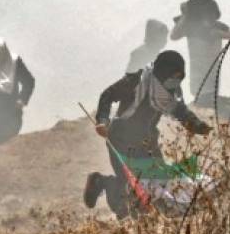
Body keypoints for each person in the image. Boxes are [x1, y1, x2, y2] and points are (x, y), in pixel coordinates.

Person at [83, 50, 212, 219]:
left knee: (160, 183)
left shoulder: (171, 92)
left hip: (148, 143)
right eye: (172, 77)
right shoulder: (137, 81)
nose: (175, 82)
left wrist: (197, 125)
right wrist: (103, 121)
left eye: (179, 78)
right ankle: (102, 183)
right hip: (121, 140)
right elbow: (108, 95)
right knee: (131, 188)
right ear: (162, 73)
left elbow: (180, 111)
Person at [169, 0, 230, 106]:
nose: (209, 18)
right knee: (203, 99)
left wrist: (222, 34)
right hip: (198, 76)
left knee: (209, 99)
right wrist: (185, 15)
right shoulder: (191, 27)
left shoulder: (219, 26)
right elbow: (173, 36)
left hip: (212, 75)